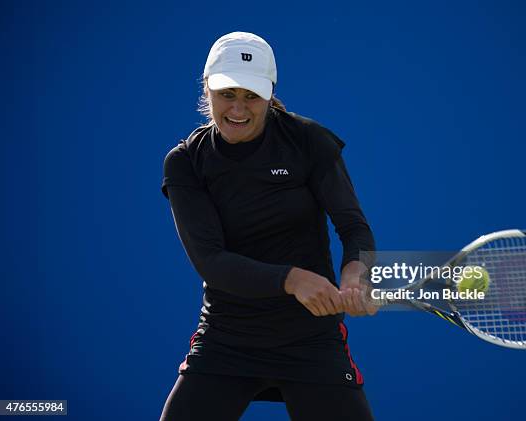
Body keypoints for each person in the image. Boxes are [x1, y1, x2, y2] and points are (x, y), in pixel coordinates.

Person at [159, 31, 377, 421]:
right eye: (227, 94)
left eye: (251, 96)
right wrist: (293, 280)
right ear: (207, 89)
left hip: (310, 339)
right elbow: (211, 260)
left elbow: (353, 228)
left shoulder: (309, 141)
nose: (238, 108)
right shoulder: (186, 162)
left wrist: (356, 276)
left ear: (269, 94)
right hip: (228, 338)